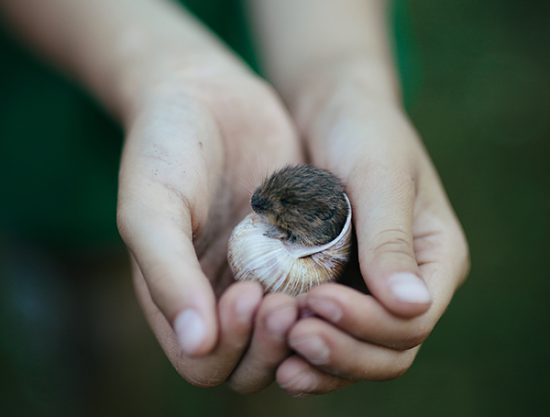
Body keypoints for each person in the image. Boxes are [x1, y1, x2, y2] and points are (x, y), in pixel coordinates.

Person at [0, 0, 469, 395]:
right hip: (64, 92)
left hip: (271, 54)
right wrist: (165, 71)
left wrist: (340, 80)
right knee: (98, 322)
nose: (262, 205)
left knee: (275, 341)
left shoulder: (310, 225)